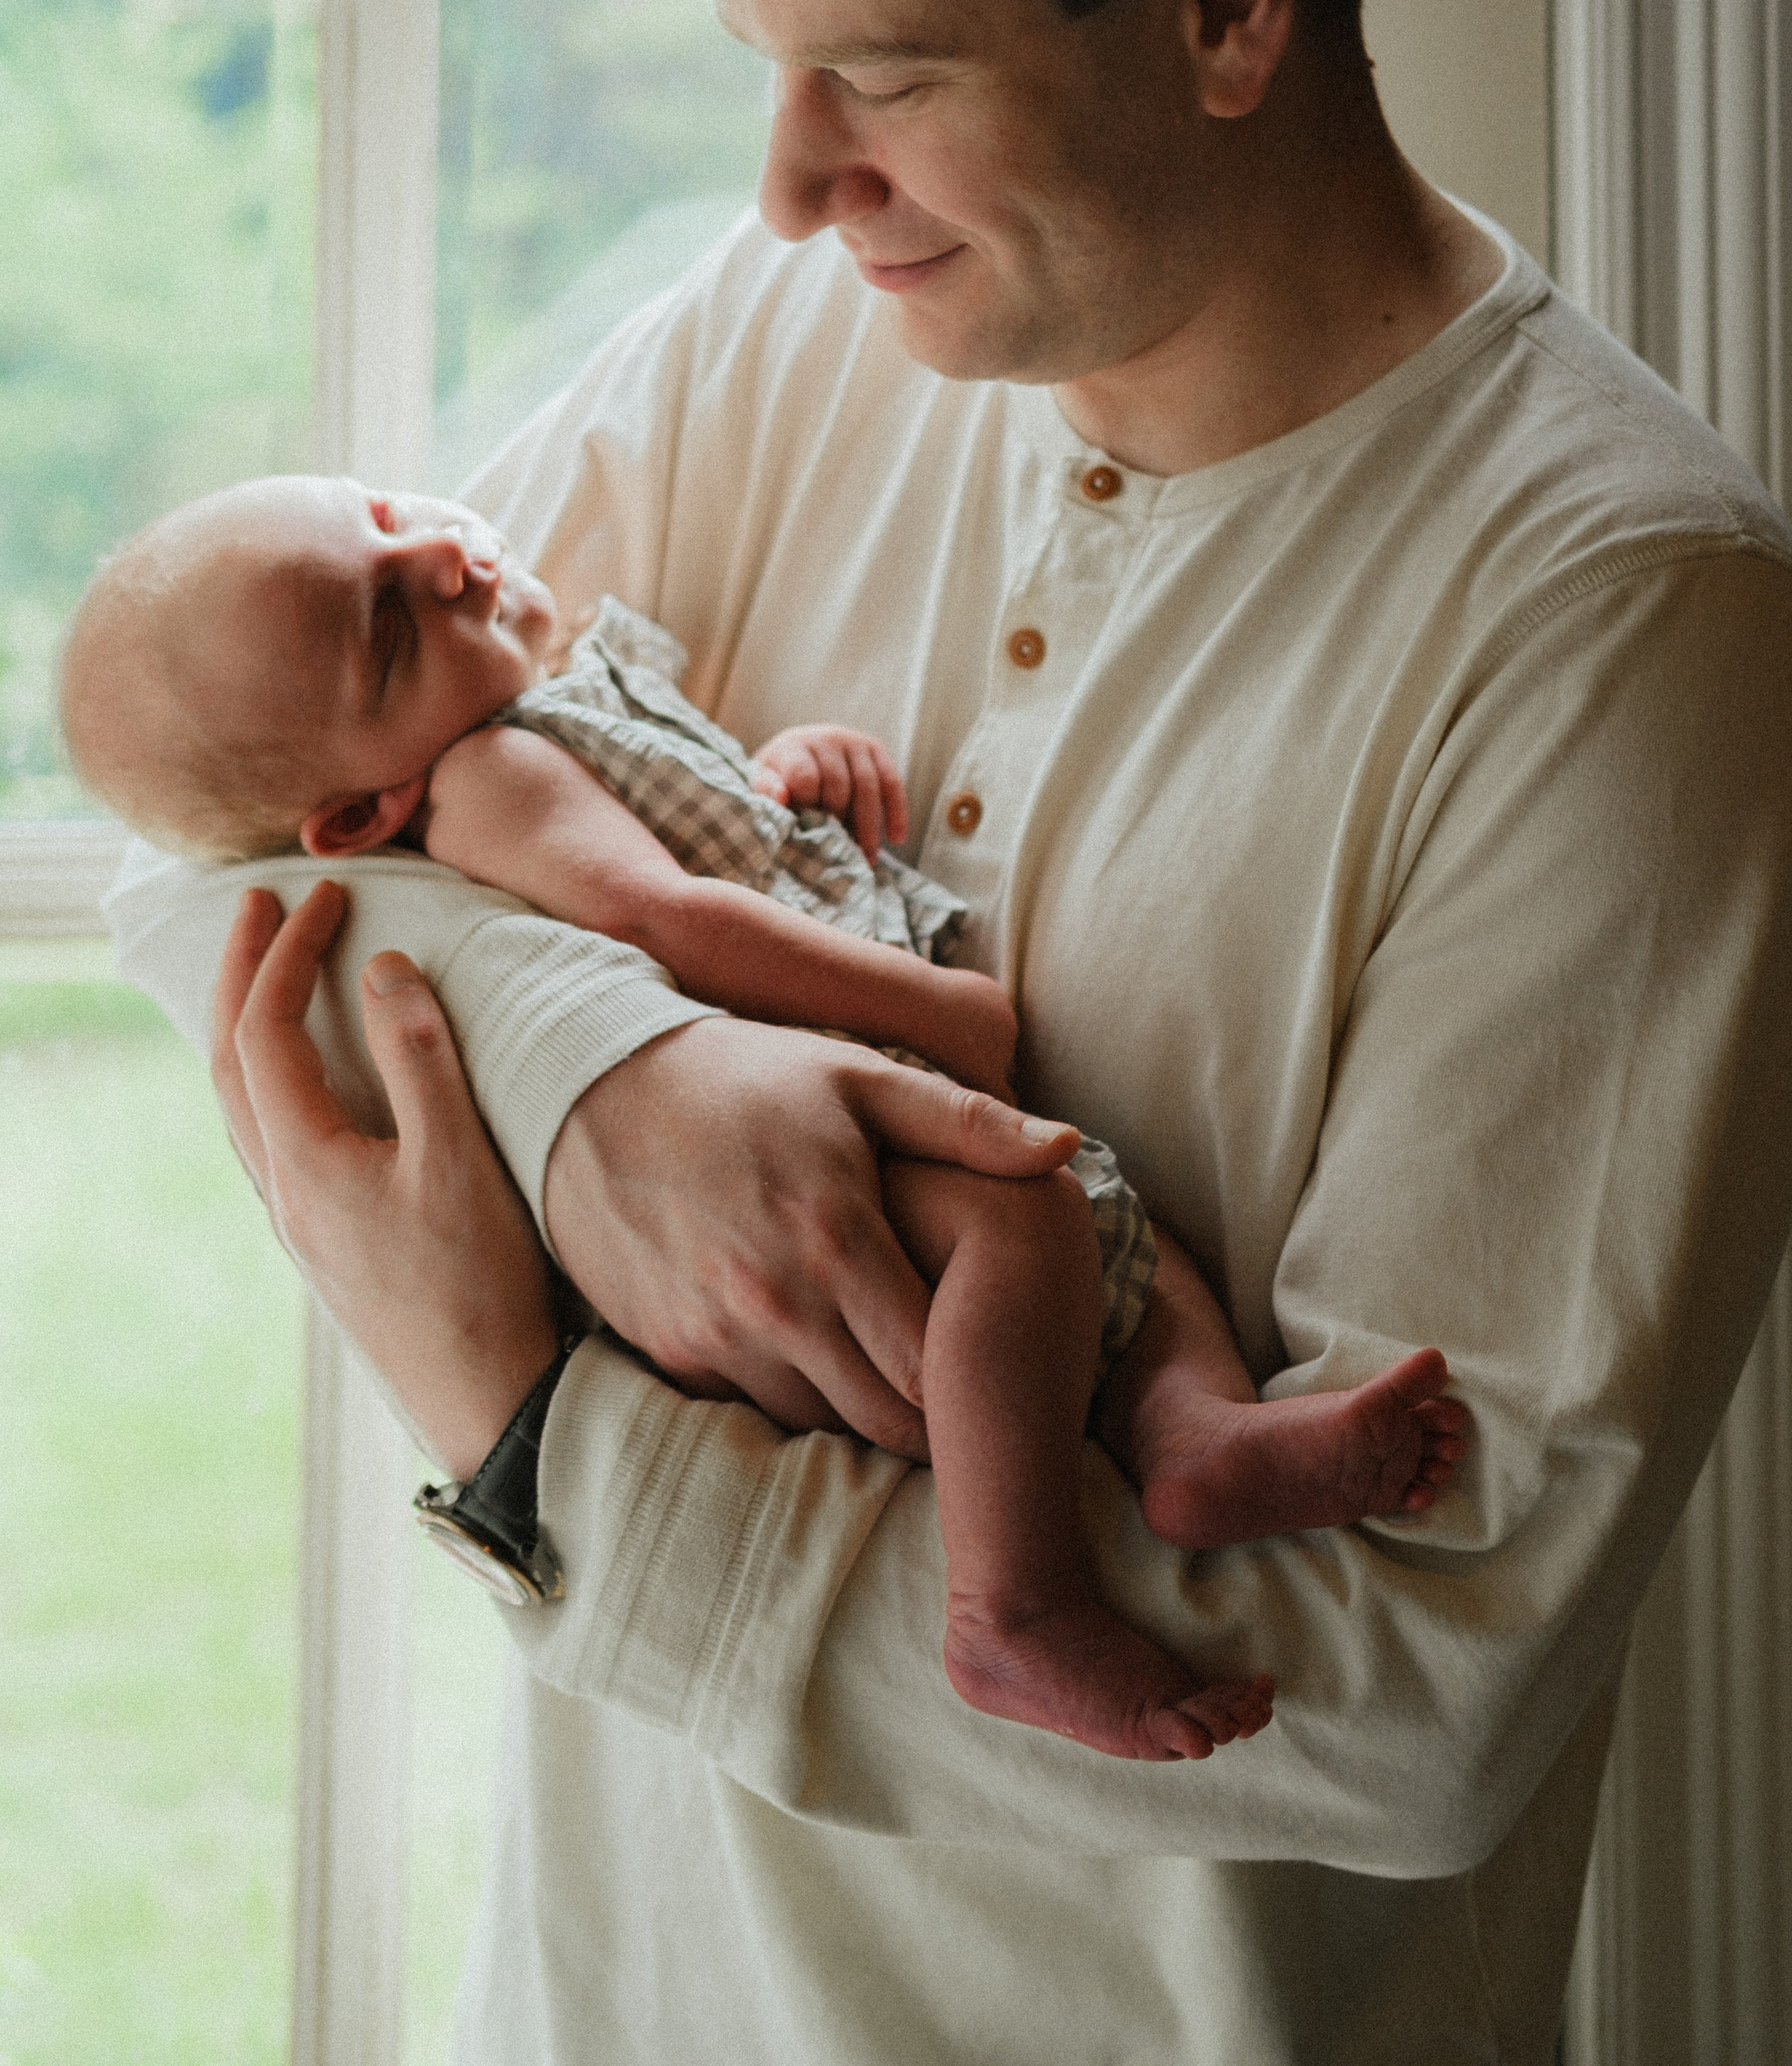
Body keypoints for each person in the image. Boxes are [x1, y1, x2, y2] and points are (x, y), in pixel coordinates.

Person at [108, 0, 1792, 2066]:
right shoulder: (803, 332)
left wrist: (538, 1431)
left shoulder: (1624, 625)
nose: (781, 187)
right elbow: (201, 837)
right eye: (762, 64)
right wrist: (607, 1078)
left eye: (879, 76)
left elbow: (1403, 1679)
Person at [62, 470, 1465, 1756]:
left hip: (818, 1107)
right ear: (362, 818)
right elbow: (660, 910)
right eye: (387, 618)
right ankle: (1012, 1599)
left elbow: (698, 832)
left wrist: (790, 773)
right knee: (1025, 1228)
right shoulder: (490, 771)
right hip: (818, 1110)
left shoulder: (564, 692)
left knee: (1127, 1247)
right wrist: (928, 1006)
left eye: (382, 510)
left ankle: (1190, 1433)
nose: (437, 548)